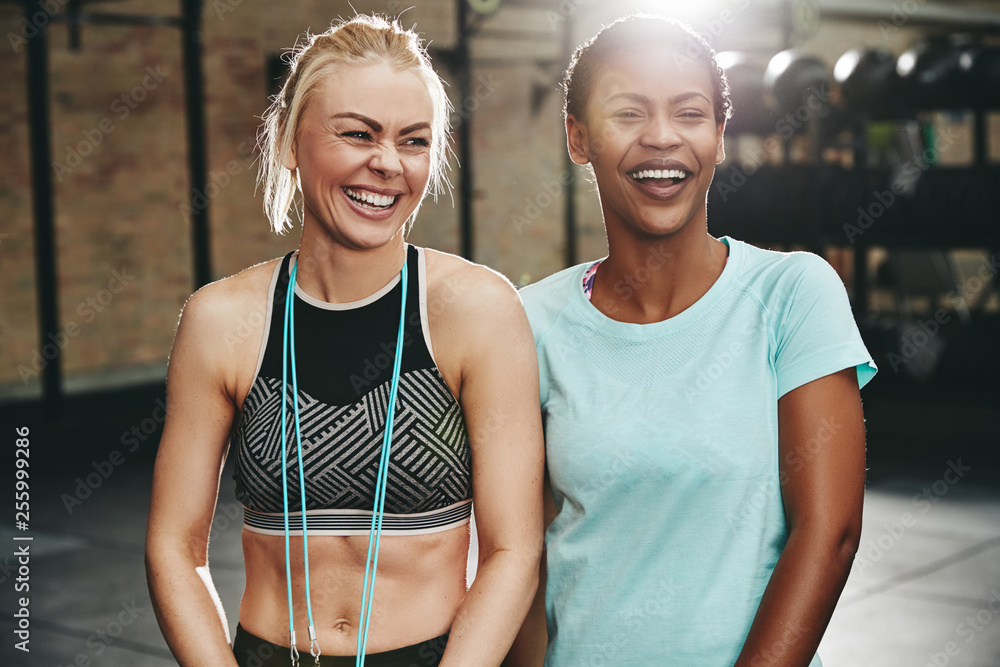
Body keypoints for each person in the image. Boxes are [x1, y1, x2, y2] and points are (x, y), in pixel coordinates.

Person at [145, 15, 543, 667]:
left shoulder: (476, 310)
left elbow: (515, 549)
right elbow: (172, 546)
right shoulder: (220, 320)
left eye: (413, 141)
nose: (386, 163)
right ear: (289, 143)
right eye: (357, 133)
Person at [510, 14, 877, 667]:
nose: (662, 138)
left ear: (718, 136)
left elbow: (830, 534)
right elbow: (524, 560)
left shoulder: (793, 293)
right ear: (579, 137)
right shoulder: (528, 321)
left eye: (689, 113)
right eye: (628, 113)